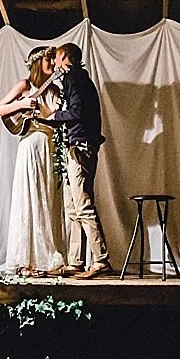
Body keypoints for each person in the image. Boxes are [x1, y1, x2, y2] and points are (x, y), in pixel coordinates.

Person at [0, 46, 66, 277]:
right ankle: (26, 261)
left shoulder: (54, 88)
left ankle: (45, 258)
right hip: (30, 145)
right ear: (37, 62)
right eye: (48, 60)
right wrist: (22, 105)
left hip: (49, 144)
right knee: (29, 198)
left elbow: (57, 116)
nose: (52, 64)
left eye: (54, 61)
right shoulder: (25, 85)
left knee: (46, 200)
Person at [47, 42, 112, 279]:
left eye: (56, 58)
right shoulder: (75, 79)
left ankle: (101, 260)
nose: (53, 63)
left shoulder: (75, 78)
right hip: (76, 146)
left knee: (82, 205)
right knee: (72, 207)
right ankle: (75, 261)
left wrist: (54, 116)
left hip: (80, 146)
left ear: (64, 57)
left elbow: (77, 112)